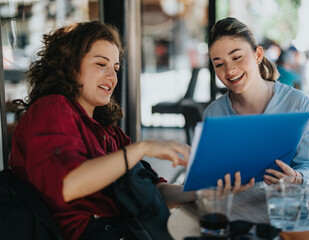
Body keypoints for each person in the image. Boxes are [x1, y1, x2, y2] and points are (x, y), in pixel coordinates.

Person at [8, 21, 249, 240]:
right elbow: (68, 186)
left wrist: (202, 191)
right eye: (101, 64)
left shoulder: (107, 132)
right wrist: (142, 148)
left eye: (115, 67)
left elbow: (153, 191)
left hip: (126, 229)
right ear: (71, 67)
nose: (112, 76)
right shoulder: (52, 109)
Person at [204, 17, 309, 187]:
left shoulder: (297, 103)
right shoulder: (213, 114)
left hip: (283, 208)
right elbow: (208, 176)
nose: (229, 70)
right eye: (219, 64)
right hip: (235, 209)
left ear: (258, 55)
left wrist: (297, 177)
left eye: (237, 57)